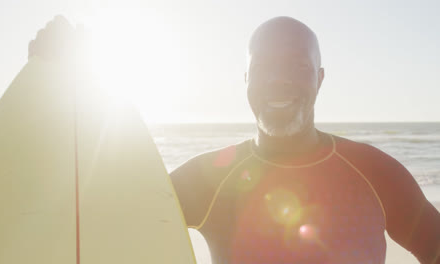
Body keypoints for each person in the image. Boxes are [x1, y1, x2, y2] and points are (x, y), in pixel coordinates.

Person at [30, 16, 439, 264]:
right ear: (245, 80)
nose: (278, 80)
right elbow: (105, 217)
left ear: (319, 78)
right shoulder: (209, 178)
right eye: (264, 68)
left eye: (297, 66)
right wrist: (58, 92)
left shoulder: (374, 173)